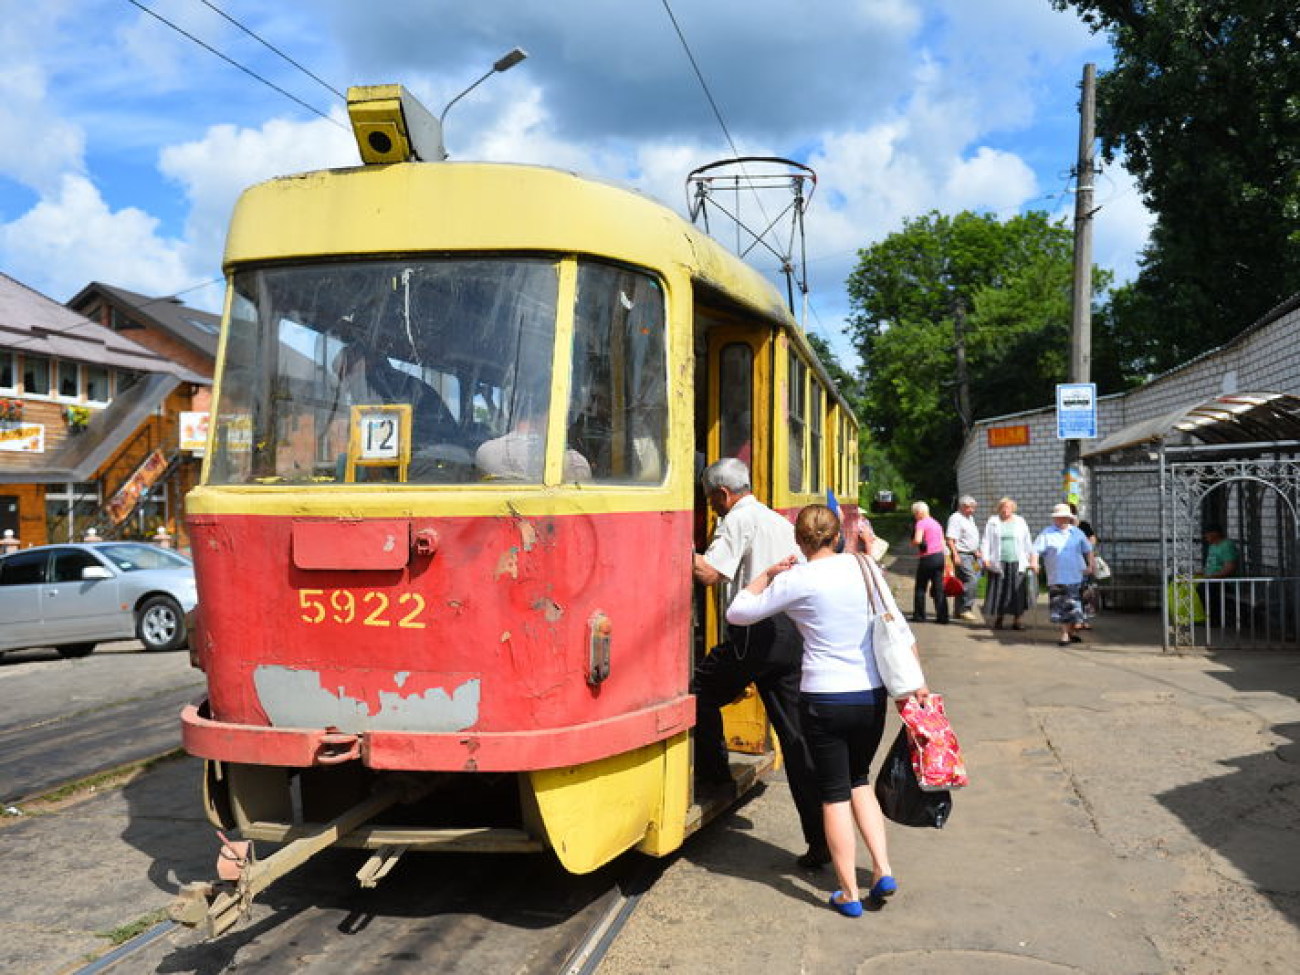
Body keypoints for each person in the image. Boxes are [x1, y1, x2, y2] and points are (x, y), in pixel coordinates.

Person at [726, 504, 929, 918]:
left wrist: (768, 574)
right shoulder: (864, 567)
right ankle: (883, 869)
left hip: (824, 700)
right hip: (870, 696)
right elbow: (900, 630)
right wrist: (917, 686)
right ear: (837, 536)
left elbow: (738, 613)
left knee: (833, 796)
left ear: (799, 541)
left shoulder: (798, 579)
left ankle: (849, 894)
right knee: (860, 780)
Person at [690, 458, 828, 869]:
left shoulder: (735, 518)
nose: (713, 507)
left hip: (756, 636)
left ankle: (716, 777)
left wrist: (681, 551)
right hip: (790, 636)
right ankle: (820, 841)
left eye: (712, 499)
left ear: (722, 494)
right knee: (796, 739)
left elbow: (711, 574)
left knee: (698, 691)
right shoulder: (778, 521)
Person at [1034, 503, 1096, 647]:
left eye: (1064, 518)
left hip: (1076, 574)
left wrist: (1091, 565)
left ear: (1069, 518)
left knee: (1074, 605)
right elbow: (1035, 550)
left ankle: (1071, 632)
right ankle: (1064, 634)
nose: (1061, 520)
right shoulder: (1047, 533)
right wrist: (1034, 563)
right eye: (1058, 518)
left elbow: (1088, 550)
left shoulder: (1077, 533)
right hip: (1057, 575)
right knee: (1060, 605)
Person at [980, 497, 1037, 631]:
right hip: (998, 562)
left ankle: (1017, 620)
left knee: (1017, 591)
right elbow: (986, 541)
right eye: (1003, 507)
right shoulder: (993, 521)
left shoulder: (1020, 521)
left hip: (1017, 562)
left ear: (1013, 509)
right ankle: (999, 618)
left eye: (1008, 508)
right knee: (999, 591)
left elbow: (1027, 541)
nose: (1006, 510)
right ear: (999, 509)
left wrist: (1032, 559)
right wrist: (985, 559)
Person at [910, 501, 948, 624]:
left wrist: (913, 543)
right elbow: (943, 542)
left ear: (919, 513)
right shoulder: (936, 523)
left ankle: (919, 615)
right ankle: (943, 616)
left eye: (915, 514)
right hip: (939, 557)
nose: (915, 516)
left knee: (921, 587)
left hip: (927, 558)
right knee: (939, 588)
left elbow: (917, 539)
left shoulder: (921, 523)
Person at [945, 495, 982, 620]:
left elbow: (968, 537)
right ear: (962, 506)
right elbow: (950, 539)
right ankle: (966, 608)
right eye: (969, 507)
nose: (972, 510)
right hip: (962, 554)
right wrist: (955, 555)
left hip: (971, 555)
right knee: (971, 580)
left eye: (973, 507)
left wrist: (975, 550)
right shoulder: (956, 518)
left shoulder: (969, 518)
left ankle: (958, 611)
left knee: (962, 583)